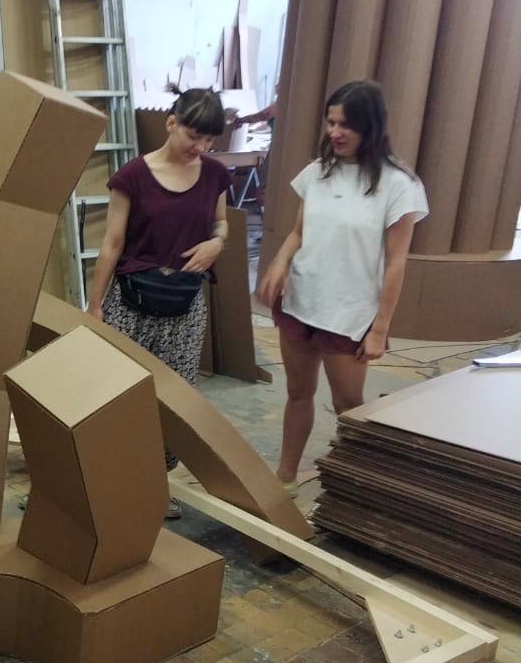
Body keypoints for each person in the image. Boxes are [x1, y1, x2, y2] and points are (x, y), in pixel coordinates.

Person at [255, 80, 427, 489]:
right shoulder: (318, 172)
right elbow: (299, 232)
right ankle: (285, 475)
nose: (335, 132)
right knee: (298, 392)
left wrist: (380, 328)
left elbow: (396, 263)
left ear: (370, 126)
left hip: (349, 314)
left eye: (345, 124)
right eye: (331, 122)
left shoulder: (398, 185)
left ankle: (354, 488)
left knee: (347, 404)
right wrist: (279, 262)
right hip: (301, 301)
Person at [87, 87, 232, 519]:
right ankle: (100, 483)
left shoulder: (214, 175)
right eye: (194, 135)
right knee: (117, 395)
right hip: (131, 303)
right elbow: (112, 243)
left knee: (173, 399)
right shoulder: (132, 176)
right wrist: (94, 306)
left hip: (184, 308)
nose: (200, 146)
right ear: (172, 123)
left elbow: (220, 223)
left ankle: (153, 485)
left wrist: (217, 244)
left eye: (209, 140)